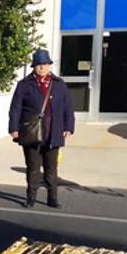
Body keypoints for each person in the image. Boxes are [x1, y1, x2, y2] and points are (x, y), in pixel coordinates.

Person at [8, 49, 75, 209]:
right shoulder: (24, 85)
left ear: (50, 65)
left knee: (51, 168)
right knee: (33, 167)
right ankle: (31, 197)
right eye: (38, 65)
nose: (41, 67)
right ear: (34, 66)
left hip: (53, 131)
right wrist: (14, 128)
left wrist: (69, 126)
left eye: (44, 64)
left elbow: (68, 107)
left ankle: (52, 198)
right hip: (31, 132)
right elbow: (15, 108)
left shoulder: (59, 84)